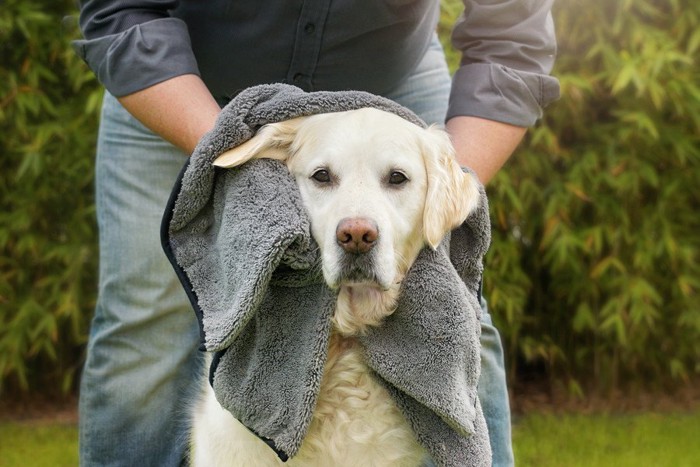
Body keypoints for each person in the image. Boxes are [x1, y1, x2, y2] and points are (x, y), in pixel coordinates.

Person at [73, 1, 559, 465]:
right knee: (143, 323)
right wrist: (229, 154)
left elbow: (511, 37)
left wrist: (442, 186)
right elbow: (120, 10)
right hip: (179, 81)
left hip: (390, 81)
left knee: (453, 310)